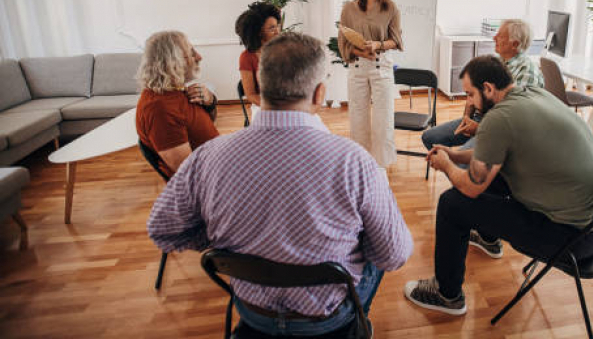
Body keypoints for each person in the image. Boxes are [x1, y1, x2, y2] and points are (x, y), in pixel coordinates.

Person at [148, 32, 413, 336]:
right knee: (377, 243)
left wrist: (221, 245)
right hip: (327, 320)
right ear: (318, 94)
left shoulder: (208, 157)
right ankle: (357, 321)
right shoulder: (354, 162)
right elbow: (394, 255)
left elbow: (162, 228)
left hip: (253, 311)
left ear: (260, 87)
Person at [404, 56, 593, 316]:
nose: (468, 103)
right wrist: (454, 155)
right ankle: (489, 240)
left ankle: (447, 295)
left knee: (451, 204)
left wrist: (445, 165)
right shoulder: (532, 94)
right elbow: (495, 157)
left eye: (470, 94)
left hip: (570, 239)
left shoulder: (499, 119)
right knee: (499, 177)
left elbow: (471, 188)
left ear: (488, 88)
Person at [421, 18, 544, 151]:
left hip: (500, 130)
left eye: (500, 36)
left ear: (514, 44)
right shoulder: (496, 62)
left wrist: (480, 129)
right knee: (430, 137)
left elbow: (514, 122)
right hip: (480, 120)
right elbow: (472, 96)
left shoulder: (528, 73)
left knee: (461, 162)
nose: (494, 38)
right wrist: (466, 118)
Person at [338, 0, 403, 169]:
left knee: (383, 120)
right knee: (358, 120)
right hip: (357, 68)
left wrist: (377, 44)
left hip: (381, 67)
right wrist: (360, 51)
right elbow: (342, 43)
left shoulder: (390, 7)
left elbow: (397, 41)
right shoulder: (349, 8)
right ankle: (362, 166)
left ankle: (381, 168)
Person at [136, 31, 219, 176]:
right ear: (172, 62)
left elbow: (207, 123)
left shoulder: (177, 90)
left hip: (217, 163)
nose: (199, 57)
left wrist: (210, 101)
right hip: (211, 180)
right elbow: (189, 173)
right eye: (191, 53)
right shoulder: (159, 109)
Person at [235, 2, 282, 120]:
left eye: (277, 26)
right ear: (259, 32)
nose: (278, 32)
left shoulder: (284, 50)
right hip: (263, 107)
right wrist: (274, 107)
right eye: (272, 28)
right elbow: (251, 95)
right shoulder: (247, 57)